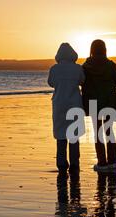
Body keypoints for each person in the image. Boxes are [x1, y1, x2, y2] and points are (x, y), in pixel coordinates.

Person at [82, 40, 116, 173]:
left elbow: (82, 82)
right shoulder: (110, 65)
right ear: (105, 49)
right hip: (110, 102)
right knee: (109, 131)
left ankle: (102, 162)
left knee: (98, 132)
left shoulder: (86, 66)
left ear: (92, 50)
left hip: (94, 103)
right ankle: (112, 162)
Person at [48, 43, 85, 174]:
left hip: (59, 104)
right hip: (74, 103)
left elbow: (51, 83)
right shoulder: (78, 68)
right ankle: (75, 164)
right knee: (74, 137)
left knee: (60, 136)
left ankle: (61, 164)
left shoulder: (54, 69)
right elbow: (82, 81)